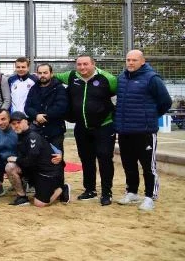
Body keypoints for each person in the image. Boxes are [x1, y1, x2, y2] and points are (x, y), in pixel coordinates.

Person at [54, 55, 118, 205]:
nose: (82, 67)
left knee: (104, 158)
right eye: (79, 64)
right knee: (86, 159)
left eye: (86, 64)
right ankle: (90, 190)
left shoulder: (108, 79)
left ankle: (106, 192)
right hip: (82, 127)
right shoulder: (71, 76)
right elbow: (51, 75)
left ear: (93, 64)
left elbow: (120, 96)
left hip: (104, 126)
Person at [114, 50, 172, 211]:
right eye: (128, 60)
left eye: (134, 60)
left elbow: (166, 102)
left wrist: (150, 116)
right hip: (125, 131)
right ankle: (132, 192)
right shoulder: (122, 78)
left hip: (144, 132)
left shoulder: (152, 79)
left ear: (142, 61)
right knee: (129, 164)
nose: (130, 63)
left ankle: (149, 197)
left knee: (148, 167)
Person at [6, 111, 69, 208]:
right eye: (13, 124)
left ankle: (61, 189)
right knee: (10, 167)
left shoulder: (32, 136)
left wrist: (16, 159)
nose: (16, 126)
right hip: (34, 170)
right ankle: (22, 197)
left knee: (39, 204)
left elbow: (30, 161)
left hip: (47, 172)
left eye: (18, 122)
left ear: (26, 122)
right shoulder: (20, 135)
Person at [25, 63, 68, 155]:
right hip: (36, 130)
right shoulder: (33, 88)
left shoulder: (59, 88)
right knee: (35, 157)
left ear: (51, 74)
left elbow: (60, 107)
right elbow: (27, 107)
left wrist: (44, 116)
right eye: (40, 73)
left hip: (55, 130)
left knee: (55, 158)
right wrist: (36, 115)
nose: (42, 75)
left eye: (45, 73)